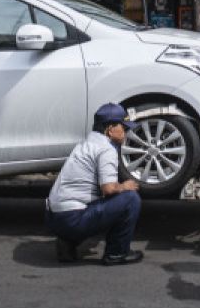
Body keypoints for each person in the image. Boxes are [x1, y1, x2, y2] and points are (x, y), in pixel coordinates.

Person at [46, 103, 144, 265]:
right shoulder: (106, 149)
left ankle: (67, 243)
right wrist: (124, 186)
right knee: (130, 199)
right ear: (110, 129)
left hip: (53, 218)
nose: (126, 132)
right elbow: (108, 189)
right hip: (71, 220)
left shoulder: (85, 144)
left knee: (91, 203)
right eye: (123, 127)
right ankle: (116, 253)